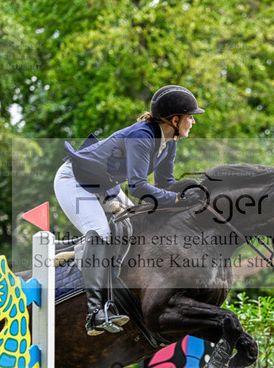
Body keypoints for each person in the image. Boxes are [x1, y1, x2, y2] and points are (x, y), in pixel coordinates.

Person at [54, 85, 207, 336]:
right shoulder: (142, 136)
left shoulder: (169, 142)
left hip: (104, 184)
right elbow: (138, 187)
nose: (193, 122)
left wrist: (190, 193)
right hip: (75, 179)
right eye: (190, 117)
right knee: (101, 232)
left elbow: (165, 183)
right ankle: (95, 313)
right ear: (174, 119)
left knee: (134, 225)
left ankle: (83, 255)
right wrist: (177, 199)